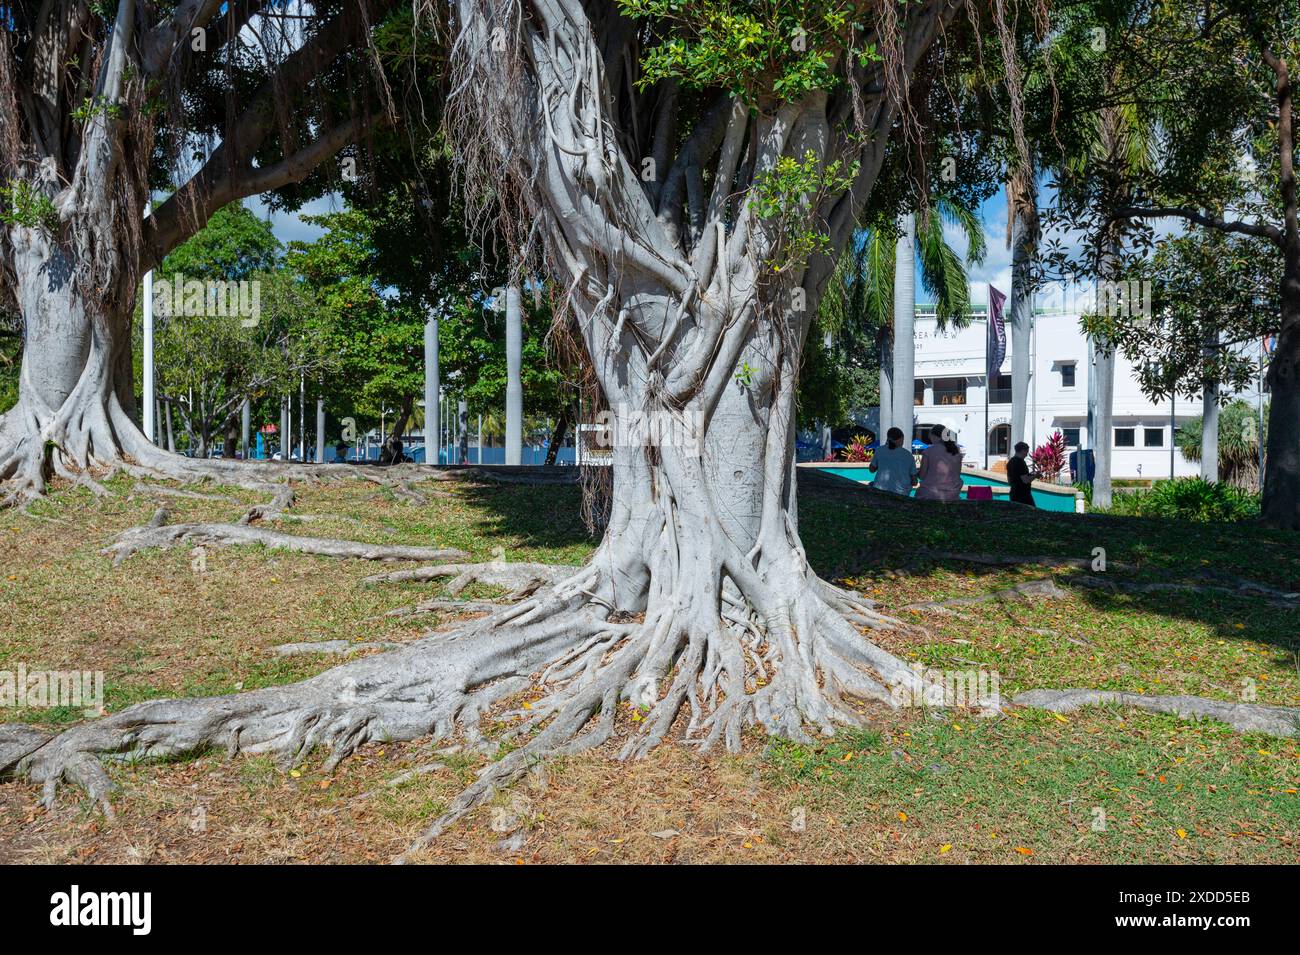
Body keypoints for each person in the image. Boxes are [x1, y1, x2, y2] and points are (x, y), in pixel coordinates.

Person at [915, 424, 964, 502]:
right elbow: (957, 475)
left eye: (930, 437)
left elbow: (922, 476)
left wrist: (916, 472)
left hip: (930, 494)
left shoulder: (928, 451)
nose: (930, 439)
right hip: (953, 494)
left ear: (936, 436)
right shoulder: (956, 452)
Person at [869, 427, 918, 496]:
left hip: (880, 491)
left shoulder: (880, 450)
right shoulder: (908, 455)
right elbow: (914, 482)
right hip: (902, 493)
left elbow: (871, 470)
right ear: (900, 439)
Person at [1006, 441, 1038, 506]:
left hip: (1013, 493)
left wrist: (1030, 475)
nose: (1027, 454)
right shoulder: (1020, 463)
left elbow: (1009, 481)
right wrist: (1036, 475)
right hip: (1023, 495)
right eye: (1026, 451)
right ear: (1022, 450)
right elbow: (1025, 480)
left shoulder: (1010, 462)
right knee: (1032, 512)